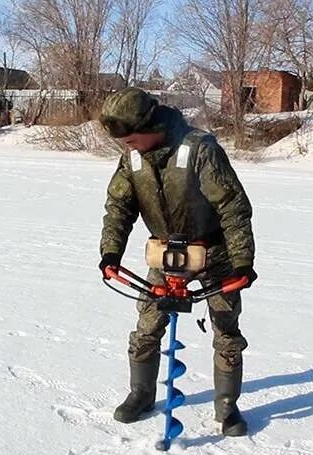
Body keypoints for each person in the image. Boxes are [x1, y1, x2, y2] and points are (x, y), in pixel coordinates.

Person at [97, 87, 257, 437]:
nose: (126, 143)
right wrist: (111, 253)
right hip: (165, 253)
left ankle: (228, 407)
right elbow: (119, 208)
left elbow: (233, 207)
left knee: (226, 329)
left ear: (150, 123)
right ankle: (141, 393)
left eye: (129, 136)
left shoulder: (200, 149)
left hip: (215, 254)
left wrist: (243, 262)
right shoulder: (132, 158)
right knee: (147, 326)